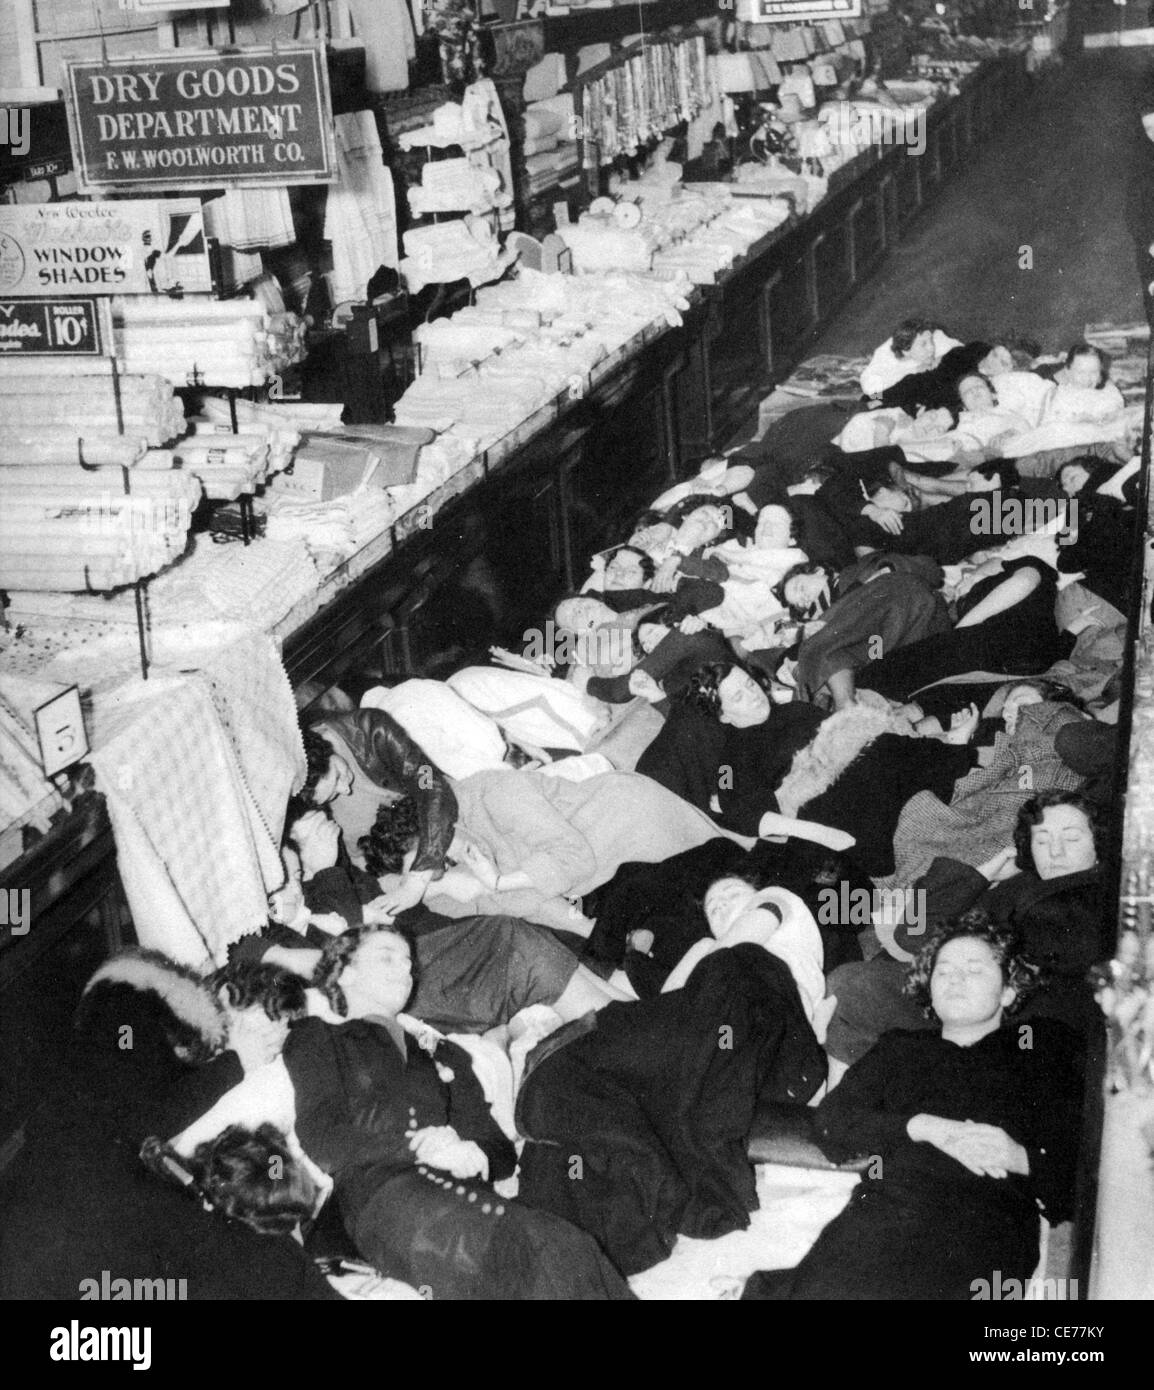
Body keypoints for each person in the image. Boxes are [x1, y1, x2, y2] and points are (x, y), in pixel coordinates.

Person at [281, 924, 635, 1299]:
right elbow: (320, 1134)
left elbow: (498, 1151)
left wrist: (474, 1152)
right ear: (346, 970)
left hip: (457, 1195)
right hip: (380, 1198)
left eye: (408, 963)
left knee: (570, 1247)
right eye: (387, 957)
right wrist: (418, 1148)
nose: (404, 970)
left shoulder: (441, 1053)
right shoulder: (318, 1036)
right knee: (538, 1251)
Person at [743, 912, 1085, 1300]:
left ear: (1008, 990)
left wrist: (1020, 1157)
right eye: (944, 971)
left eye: (974, 970)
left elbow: (1086, 1162)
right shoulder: (901, 1048)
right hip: (887, 1210)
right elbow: (831, 1125)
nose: (955, 979)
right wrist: (921, 1126)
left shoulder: (1042, 1046)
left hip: (985, 1223)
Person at [825, 790, 1106, 1068]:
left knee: (853, 987)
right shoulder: (1023, 886)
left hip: (1020, 1032)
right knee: (849, 986)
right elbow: (912, 935)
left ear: (1099, 844)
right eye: (1042, 841)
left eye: (1071, 838)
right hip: (960, 1001)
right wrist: (984, 873)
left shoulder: (1099, 898)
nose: (1055, 851)